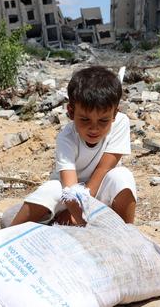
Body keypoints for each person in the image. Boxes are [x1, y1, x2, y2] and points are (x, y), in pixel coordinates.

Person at [10, 66, 136, 227]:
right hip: (70, 196)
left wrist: (80, 216)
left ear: (114, 115)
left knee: (122, 176)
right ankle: (7, 235)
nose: (94, 128)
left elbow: (103, 169)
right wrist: (75, 213)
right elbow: (70, 189)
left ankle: (127, 233)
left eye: (103, 121)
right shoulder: (66, 138)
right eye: (85, 120)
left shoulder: (121, 123)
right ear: (70, 111)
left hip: (98, 191)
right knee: (51, 189)